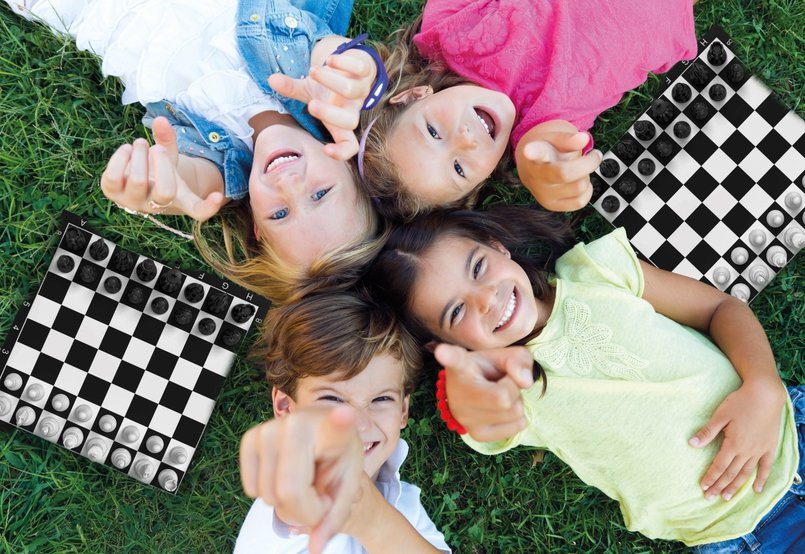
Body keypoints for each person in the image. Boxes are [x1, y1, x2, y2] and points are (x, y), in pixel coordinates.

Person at [363, 206, 803, 550]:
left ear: (498, 247)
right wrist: (463, 385)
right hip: (736, 533)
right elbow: (471, 412)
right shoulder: (508, 390)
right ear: (442, 345)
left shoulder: (596, 270)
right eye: (457, 311)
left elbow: (720, 308)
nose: (486, 300)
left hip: (790, 432)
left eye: (478, 268)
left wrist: (762, 387)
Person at [7, 0, 383, 303]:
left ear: (256, 224)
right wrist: (355, 73)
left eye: (280, 214)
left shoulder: (222, 169)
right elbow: (334, 55)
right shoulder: (312, 83)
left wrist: (155, 192)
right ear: (352, 168)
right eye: (320, 193)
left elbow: (186, 186)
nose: (289, 186)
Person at [357, 0, 698, 219]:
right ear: (480, 184)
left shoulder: (447, 29)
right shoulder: (537, 130)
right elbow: (550, 146)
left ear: (413, 95)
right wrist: (541, 172)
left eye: (433, 132)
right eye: (459, 169)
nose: (464, 140)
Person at [236, 291, 451, 553]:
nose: (360, 425)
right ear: (285, 406)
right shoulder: (292, 491)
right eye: (333, 399)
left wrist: (377, 522)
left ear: (403, 411)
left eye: (381, 399)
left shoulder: (405, 504)